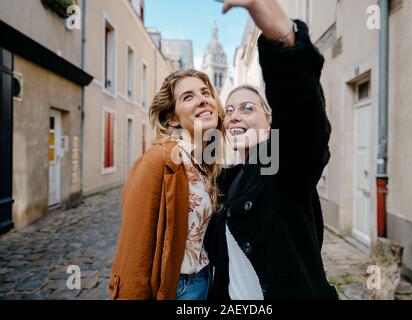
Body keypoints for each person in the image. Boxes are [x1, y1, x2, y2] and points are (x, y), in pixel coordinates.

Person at [205, 0, 339, 300]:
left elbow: (305, 126)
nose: (234, 115)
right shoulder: (229, 181)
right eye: (228, 111)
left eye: (247, 108)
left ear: (269, 123)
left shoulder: (281, 165)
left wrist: (284, 42)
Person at [109, 69, 225, 300]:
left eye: (205, 92)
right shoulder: (158, 159)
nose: (203, 99)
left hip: (203, 281)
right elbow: (134, 249)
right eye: (188, 96)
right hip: (175, 288)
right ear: (172, 118)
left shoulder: (205, 165)